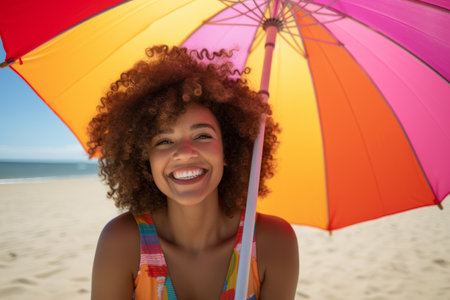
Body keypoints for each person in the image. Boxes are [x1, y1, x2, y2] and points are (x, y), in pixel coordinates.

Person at [89, 45, 299, 300]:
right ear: (145, 159)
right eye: (164, 141)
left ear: (229, 150)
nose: (185, 152)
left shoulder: (273, 242)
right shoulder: (122, 242)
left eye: (202, 135)